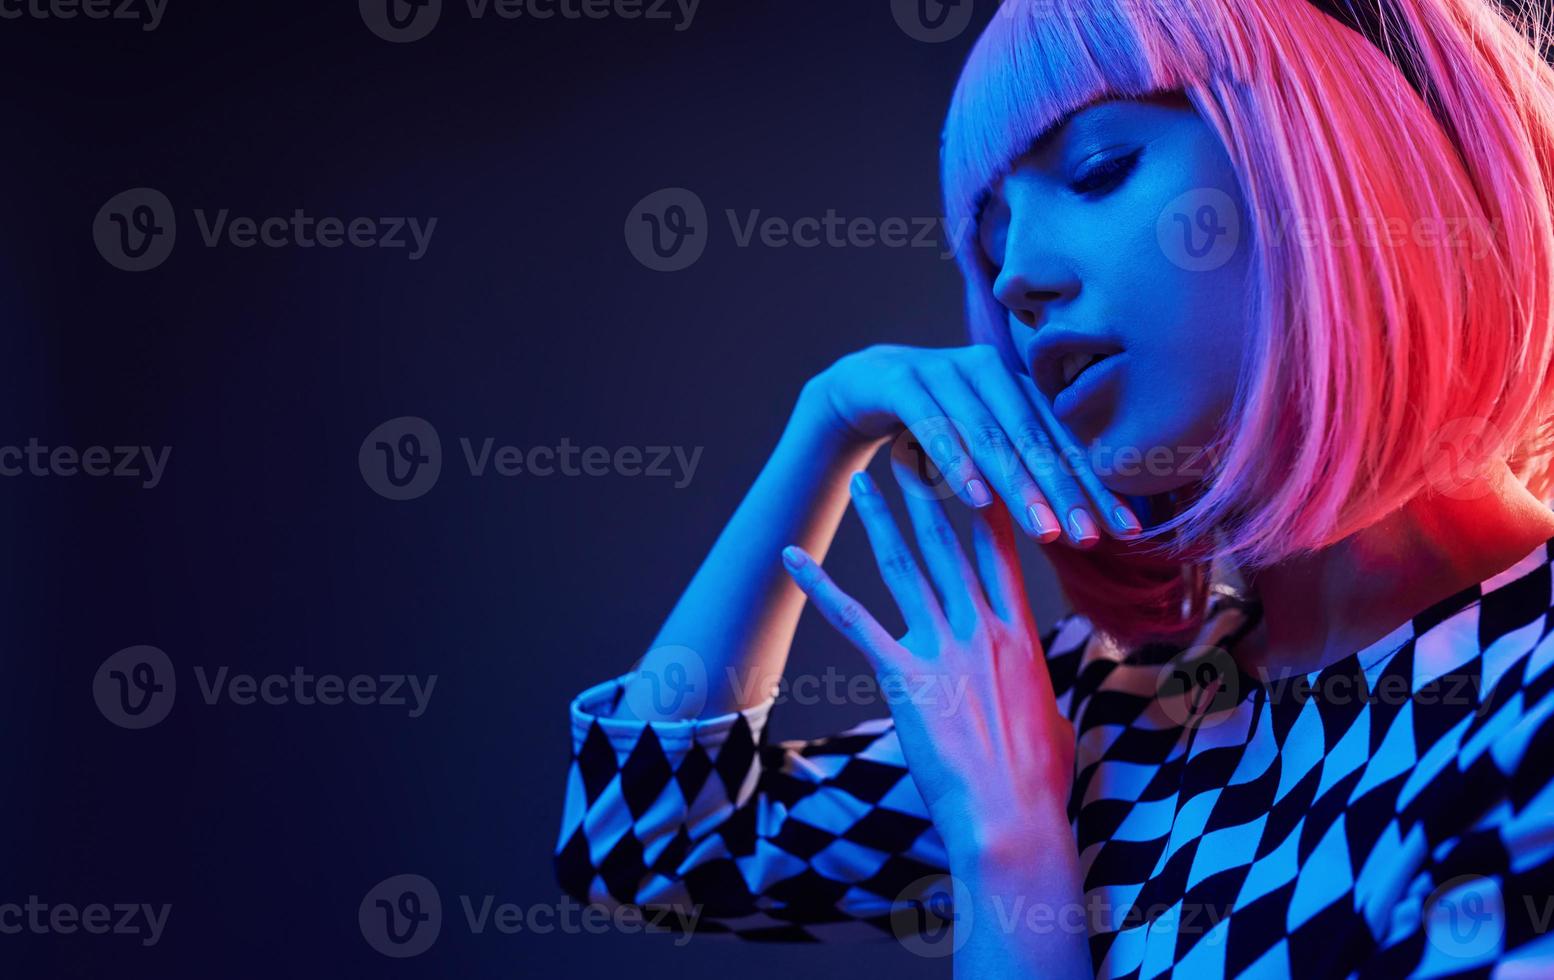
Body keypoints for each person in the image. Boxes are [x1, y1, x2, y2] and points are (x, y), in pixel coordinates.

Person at [554, 0, 1554, 975]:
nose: (1017, 278)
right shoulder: (1110, 702)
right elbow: (647, 849)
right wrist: (824, 427)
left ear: (1338, 151)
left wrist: (1012, 864)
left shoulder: (1527, 689)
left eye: (1102, 169)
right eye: (990, 247)